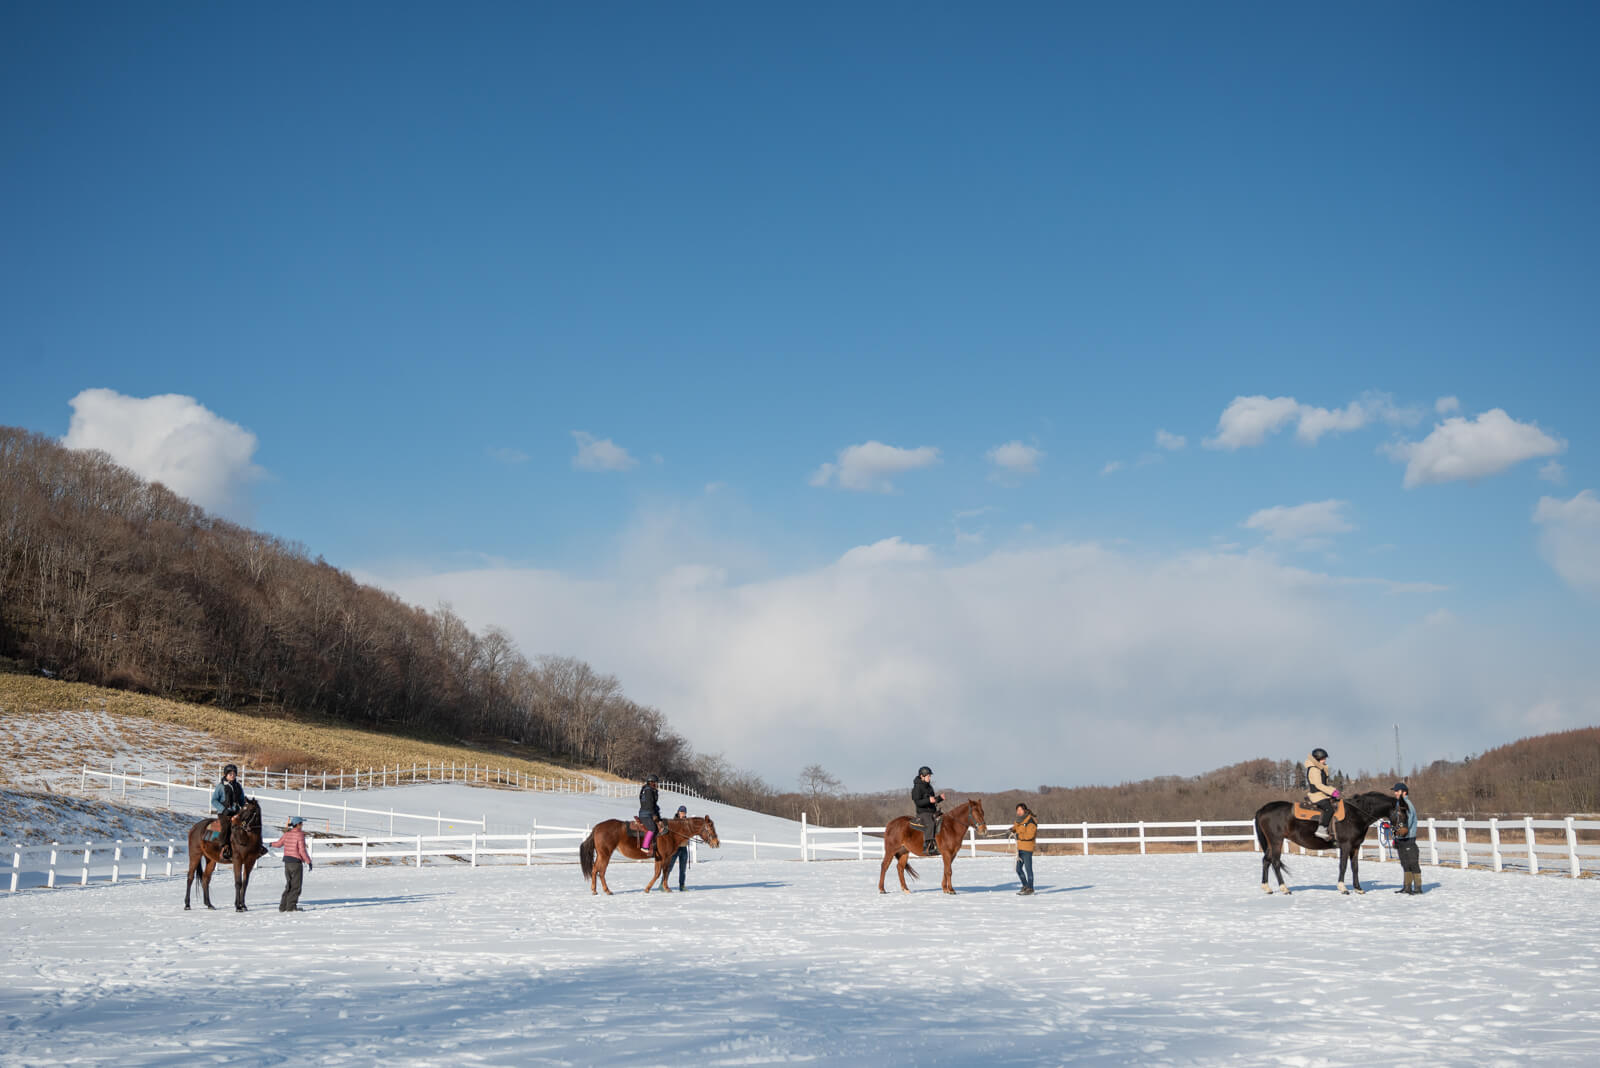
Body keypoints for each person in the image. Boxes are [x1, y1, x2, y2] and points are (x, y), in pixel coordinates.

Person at [269, 815, 313, 911]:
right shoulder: (300, 835)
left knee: (288, 884)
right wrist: (308, 861)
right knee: (296, 886)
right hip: (296, 863)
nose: (302, 825)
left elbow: (278, 844)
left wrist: (271, 844)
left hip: (287, 862)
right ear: (297, 824)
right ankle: (291, 907)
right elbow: (302, 850)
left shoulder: (287, 834)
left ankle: (283, 906)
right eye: (301, 823)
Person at [209, 764, 248, 861]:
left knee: (246, 825)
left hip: (236, 812)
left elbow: (242, 800)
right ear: (226, 775)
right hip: (224, 813)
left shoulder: (238, 786)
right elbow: (214, 800)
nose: (232, 775)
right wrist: (223, 809)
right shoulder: (220, 786)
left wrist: (245, 807)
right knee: (226, 827)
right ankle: (224, 847)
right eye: (230, 773)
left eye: (234, 773)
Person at [1390, 782, 1423, 895]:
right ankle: (1407, 887)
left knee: (1413, 863)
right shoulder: (1399, 804)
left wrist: (1397, 831)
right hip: (1401, 839)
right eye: (1395, 791)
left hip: (1408, 838)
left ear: (1404, 792)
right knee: (1404, 863)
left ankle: (1418, 887)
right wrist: (1394, 833)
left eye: (1397, 791)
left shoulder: (1407, 805)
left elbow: (1406, 824)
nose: (1395, 793)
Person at [1302, 748, 1339, 841]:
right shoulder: (1314, 769)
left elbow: (1324, 784)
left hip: (1322, 794)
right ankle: (1321, 829)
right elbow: (1318, 785)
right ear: (1318, 759)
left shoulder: (1319, 768)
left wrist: (1333, 790)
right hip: (1316, 795)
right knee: (1329, 809)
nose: (1325, 760)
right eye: (1323, 759)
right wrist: (1331, 792)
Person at [912, 766, 946, 856]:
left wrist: (939, 798)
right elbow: (917, 802)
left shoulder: (929, 787)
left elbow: (932, 800)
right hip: (923, 813)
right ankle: (927, 846)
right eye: (928, 776)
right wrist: (928, 800)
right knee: (930, 824)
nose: (929, 778)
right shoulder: (917, 788)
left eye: (930, 776)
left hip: (932, 811)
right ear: (922, 776)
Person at [1011, 803, 1038, 895]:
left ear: (1025, 810)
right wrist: (1011, 830)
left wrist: (1019, 835)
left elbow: (1030, 835)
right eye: (1017, 810)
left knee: (1028, 869)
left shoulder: (1031, 821)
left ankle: (1030, 888)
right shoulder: (1018, 820)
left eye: (1020, 810)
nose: (1018, 812)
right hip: (1020, 849)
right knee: (1018, 869)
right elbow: (1016, 828)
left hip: (1027, 848)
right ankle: (1025, 886)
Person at [668, 804, 691, 891]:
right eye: (681, 812)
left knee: (683, 869)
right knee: (669, 867)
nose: (683, 813)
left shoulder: (687, 822)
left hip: (684, 848)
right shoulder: (674, 822)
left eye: (684, 812)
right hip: (675, 848)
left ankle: (682, 885)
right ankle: (663, 883)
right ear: (678, 812)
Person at [638, 773, 663, 852]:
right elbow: (650, 804)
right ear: (651, 782)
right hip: (645, 814)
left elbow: (654, 805)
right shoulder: (648, 790)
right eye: (655, 782)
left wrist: (659, 818)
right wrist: (654, 815)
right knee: (652, 828)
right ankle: (645, 846)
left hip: (649, 813)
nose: (656, 784)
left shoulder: (651, 790)